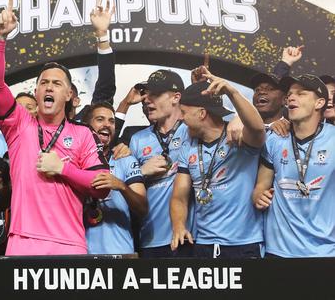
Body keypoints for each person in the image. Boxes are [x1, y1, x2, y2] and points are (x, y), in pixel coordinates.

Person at [0, 0, 109, 255]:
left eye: (57, 83)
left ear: (69, 96)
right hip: (23, 242)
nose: (49, 86)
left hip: (70, 245)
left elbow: (102, 186)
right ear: (37, 93)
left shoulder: (83, 134)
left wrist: (62, 168)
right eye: (43, 82)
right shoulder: (19, 124)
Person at [171, 70, 266, 258]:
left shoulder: (238, 137)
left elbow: (257, 128)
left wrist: (233, 92)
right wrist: (179, 226)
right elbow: (179, 196)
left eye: (183, 112)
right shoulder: (188, 147)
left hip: (243, 245)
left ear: (202, 113)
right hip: (204, 245)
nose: (180, 118)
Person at [253, 74, 335, 257]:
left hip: (323, 252)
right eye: (289, 94)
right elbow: (260, 186)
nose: (291, 97)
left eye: (301, 93)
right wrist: (259, 196)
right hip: (278, 251)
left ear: (320, 103)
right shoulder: (275, 139)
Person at [128, 69, 192, 258]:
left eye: (155, 94)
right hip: (150, 240)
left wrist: (237, 120)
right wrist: (140, 172)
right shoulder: (138, 139)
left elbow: (230, 129)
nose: (147, 99)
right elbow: (126, 190)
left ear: (176, 97)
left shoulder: (193, 130)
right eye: (146, 94)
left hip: (187, 236)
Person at [83, 102, 148, 254]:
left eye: (111, 121)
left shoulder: (125, 160)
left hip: (120, 252)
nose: (107, 124)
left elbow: (142, 208)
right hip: (82, 252)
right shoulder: (76, 161)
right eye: (100, 119)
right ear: (86, 127)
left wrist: (121, 186)